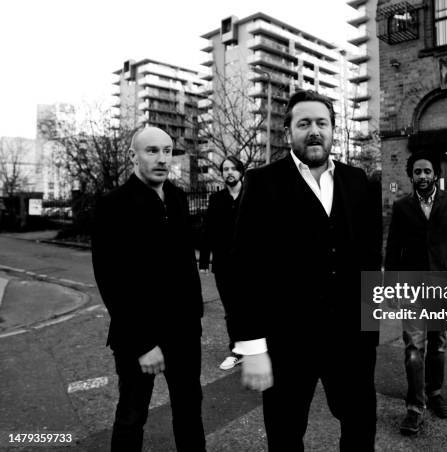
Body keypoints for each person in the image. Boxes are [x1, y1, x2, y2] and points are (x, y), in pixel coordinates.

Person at [229, 90, 380, 451]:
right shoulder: (263, 182)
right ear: (288, 133)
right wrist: (251, 348)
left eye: (322, 123)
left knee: (360, 429)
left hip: (350, 341)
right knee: (285, 434)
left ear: (333, 130)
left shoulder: (357, 180)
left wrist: (369, 332)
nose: (314, 131)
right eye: (304, 123)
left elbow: (369, 260)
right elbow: (243, 270)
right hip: (288, 343)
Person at [92, 127, 206, 451]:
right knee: (131, 416)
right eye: (152, 151)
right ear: (133, 156)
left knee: (189, 412)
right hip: (138, 336)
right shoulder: (113, 205)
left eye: (167, 151)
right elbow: (111, 280)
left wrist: (194, 316)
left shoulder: (177, 198)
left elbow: (185, 264)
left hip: (184, 332)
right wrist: (143, 343)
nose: (161, 159)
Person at [385, 150, 447, 435]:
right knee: (413, 349)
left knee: (438, 345)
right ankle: (414, 408)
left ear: (436, 174)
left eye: (427, 171)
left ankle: (435, 394)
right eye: (417, 172)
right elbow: (393, 250)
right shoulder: (401, 207)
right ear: (411, 175)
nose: (422, 176)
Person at [199, 155, 244, 370]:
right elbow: (208, 230)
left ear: (241, 172)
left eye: (233, 168)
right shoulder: (217, 200)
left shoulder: (253, 196)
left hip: (250, 264)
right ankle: (237, 350)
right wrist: (204, 260)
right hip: (224, 265)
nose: (229, 172)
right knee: (231, 309)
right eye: (225, 169)